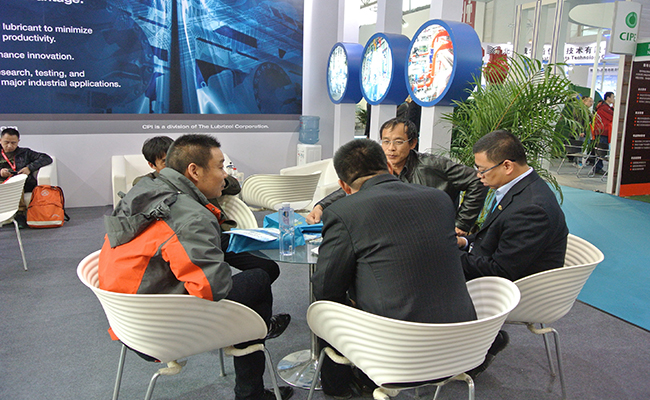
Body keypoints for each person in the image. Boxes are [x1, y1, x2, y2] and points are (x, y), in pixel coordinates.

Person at [98, 134, 293, 400]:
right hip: (156, 327)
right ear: (194, 171)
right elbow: (212, 289)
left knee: (259, 269)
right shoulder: (190, 216)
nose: (225, 175)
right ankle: (251, 390)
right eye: (221, 167)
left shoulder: (147, 187)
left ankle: (259, 329)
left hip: (127, 317)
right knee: (258, 279)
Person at [312, 138, 477, 398]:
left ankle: (340, 388)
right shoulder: (440, 199)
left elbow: (325, 288)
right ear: (389, 168)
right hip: (464, 343)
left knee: (327, 308)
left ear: (343, 185)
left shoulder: (344, 211)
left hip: (397, 351)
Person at [457, 130, 569, 378]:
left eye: (482, 170)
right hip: (503, 267)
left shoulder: (532, 208)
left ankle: (471, 348)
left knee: (432, 278)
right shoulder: (520, 190)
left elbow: (501, 270)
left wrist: (451, 257)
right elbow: (493, 236)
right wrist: (464, 242)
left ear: (507, 166)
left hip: (520, 287)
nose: (479, 176)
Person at [307, 118, 488, 235]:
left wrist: (462, 224)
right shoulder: (379, 167)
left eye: (398, 142)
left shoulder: (434, 165)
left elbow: (477, 180)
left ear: (413, 143)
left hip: (433, 234)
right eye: (386, 142)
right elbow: (356, 186)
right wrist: (321, 206)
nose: (391, 148)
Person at [1, 127, 53, 227]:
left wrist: (29, 168)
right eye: (6, 142)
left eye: (13, 143)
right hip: (2, 181)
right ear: (0, 140)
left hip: (22, 182)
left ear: (18, 141)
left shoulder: (25, 152)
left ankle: (20, 214)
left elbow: (46, 158)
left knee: (16, 182)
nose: (10, 146)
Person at [591, 92, 614, 174]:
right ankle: (598, 168)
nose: (614, 99)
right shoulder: (604, 108)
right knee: (601, 150)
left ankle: (598, 167)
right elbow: (612, 117)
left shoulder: (604, 107)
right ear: (608, 98)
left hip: (602, 131)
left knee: (601, 150)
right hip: (602, 131)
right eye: (613, 97)